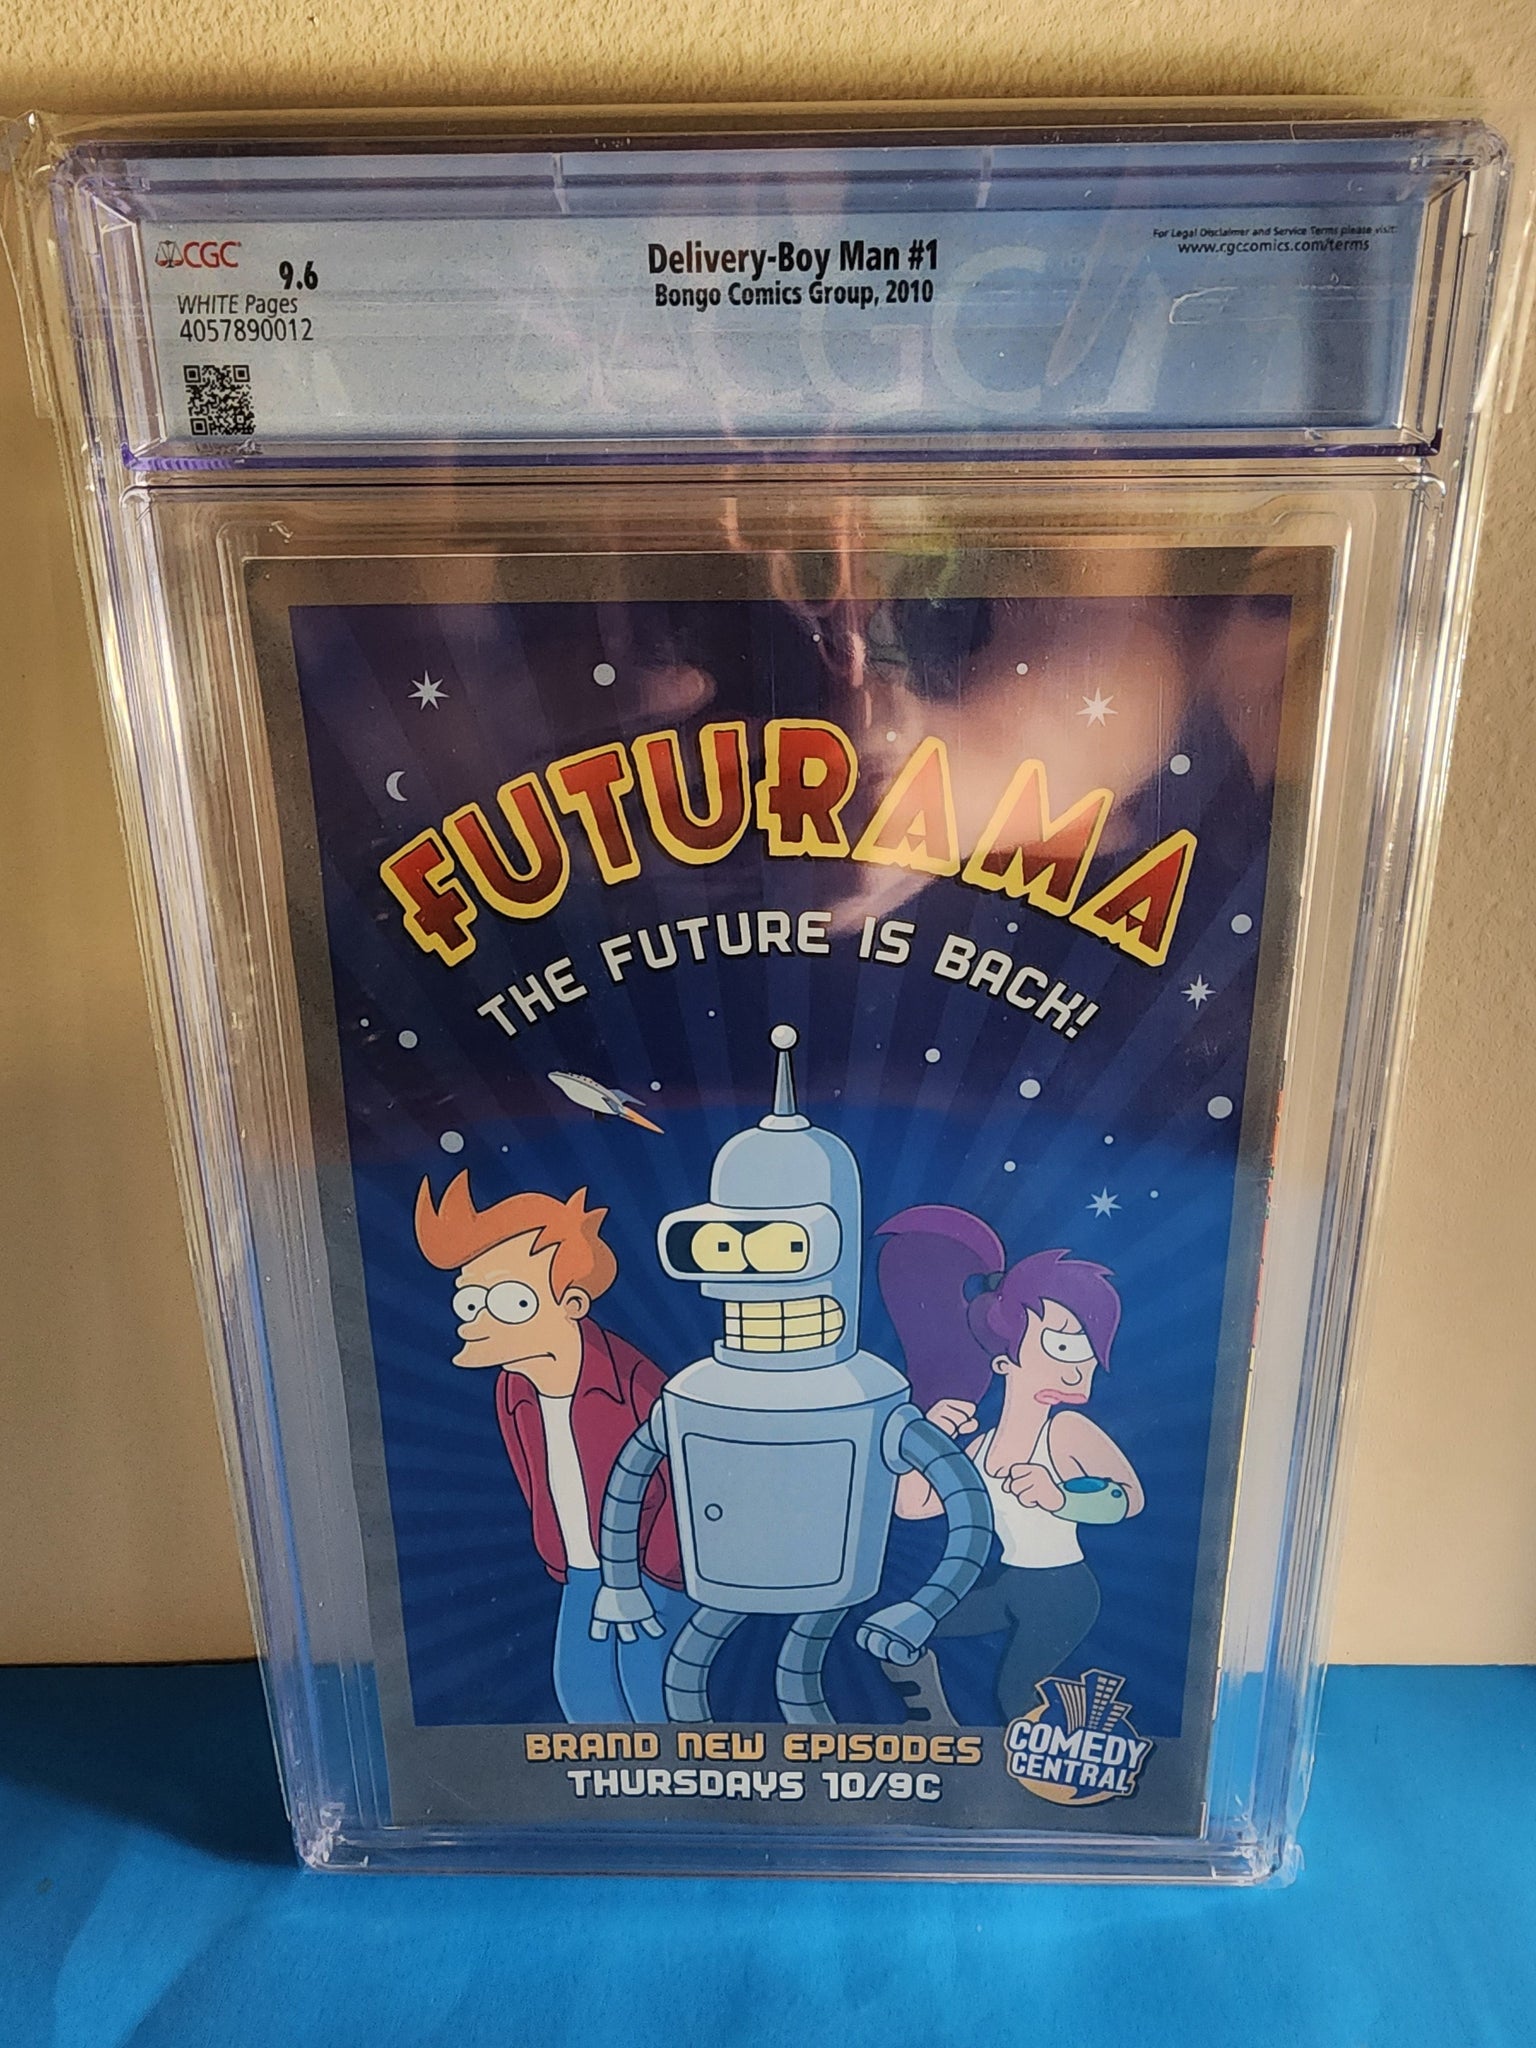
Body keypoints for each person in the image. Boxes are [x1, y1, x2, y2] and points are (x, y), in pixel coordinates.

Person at [415, 1172, 689, 1723]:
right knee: (584, 1696)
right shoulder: (514, 1387)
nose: (476, 1322)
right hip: (581, 1568)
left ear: (572, 1303)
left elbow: (684, 1490)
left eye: (510, 1301)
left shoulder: (635, 1386)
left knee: (651, 1698)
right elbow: (536, 1481)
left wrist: (644, 1578)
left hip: (652, 1571)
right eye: (470, 1303)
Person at [876, 1206, 1143, 1724]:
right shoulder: (980, 1448)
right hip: (1009, 1585)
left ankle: (1043, 1764)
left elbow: (1128, 1498)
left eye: (1086, 1350)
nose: (1078, 1367)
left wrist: (1062, 1497)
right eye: (1061, 1345)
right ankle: (937, 1728)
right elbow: (913, 1507)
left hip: (1064, 1591)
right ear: (1004, 1360)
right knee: (901, 1631)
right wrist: (926, 1441)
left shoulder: (1065, 1431)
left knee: (1015, 1692)